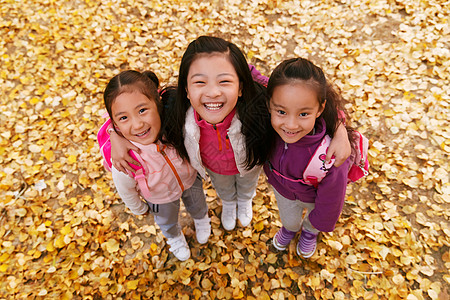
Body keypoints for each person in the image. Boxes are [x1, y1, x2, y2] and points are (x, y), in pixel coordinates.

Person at [109, 36, 351, 232]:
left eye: (224, 81)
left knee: (246, 185)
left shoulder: (258, 104)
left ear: (241, 85)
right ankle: (228, 202)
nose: (213, 92)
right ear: (186, 89)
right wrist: (114, 135)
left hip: (249, 165)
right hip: (215, 168)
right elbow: (129, 108)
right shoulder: (174, 109)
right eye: (200, 83)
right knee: (223, 187)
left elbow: (304, 97)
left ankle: (244, 200)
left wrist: (339, 128)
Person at [103, 70, 211, 261]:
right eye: (124, 118)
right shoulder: (125, 159)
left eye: (142, 110)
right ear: (115, 123)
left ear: (158, 103)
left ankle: (201, 219)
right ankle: (174, 237)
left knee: (197, 203)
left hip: (190, 179)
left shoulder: (175, 124)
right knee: (166, 220)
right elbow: (125, 189)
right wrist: (140, 209)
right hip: (159, 198)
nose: (137, 125)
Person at [264, 57, 357, 258]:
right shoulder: (267, 127)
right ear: (269, 104)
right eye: (281, 111)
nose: (290, 124)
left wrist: (318, 223)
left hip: (314, 198)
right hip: (284, 192)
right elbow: (250, 77)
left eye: (303, 114)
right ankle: (289, 229)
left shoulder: (331, 151)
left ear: (320, 109)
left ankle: (308, 232)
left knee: (314, 220)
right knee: (288, 218)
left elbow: (332, 198)